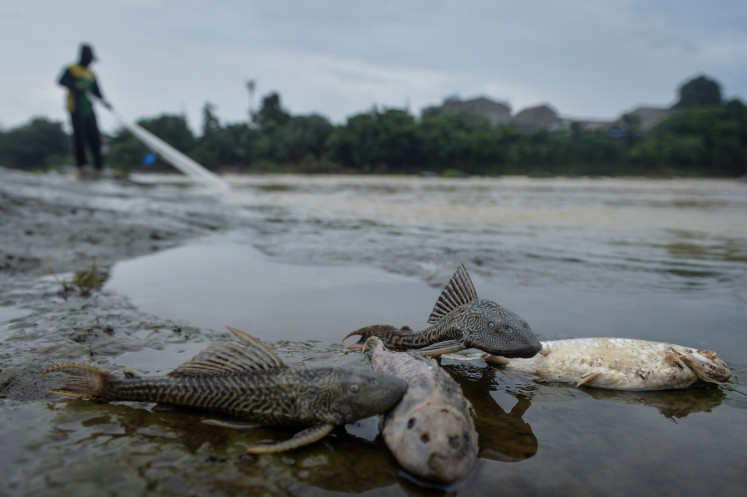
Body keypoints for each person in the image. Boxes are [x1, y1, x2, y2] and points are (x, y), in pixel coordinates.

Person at [58, 43, 112, 173]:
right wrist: (75, 85)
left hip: (89, 108)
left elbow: (97, 91)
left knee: (95, 135)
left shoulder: (91, 74)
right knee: (79, 136)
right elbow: (61, 81)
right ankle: (82, 164)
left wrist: (104, 101)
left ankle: (99, 164)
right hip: (75, 108)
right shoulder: (71, 69)